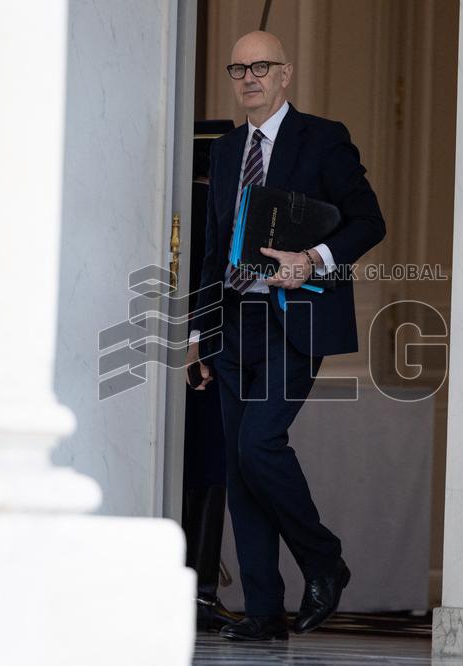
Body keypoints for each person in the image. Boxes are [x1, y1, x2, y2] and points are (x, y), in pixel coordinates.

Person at [185, 30, 386, 642]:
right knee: (239, 468)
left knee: (258, 446)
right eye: (238, 69)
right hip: (231, 324)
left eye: (261, 67)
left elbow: (369, 221)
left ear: (285, 74)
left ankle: (323, 560)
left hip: (293, 319)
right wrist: (197, 332)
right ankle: (264, 610)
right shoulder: (226, 151)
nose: (249, 78)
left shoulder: (322, 139)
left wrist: (313, 259)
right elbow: (213, 247)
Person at [181, 120, 241, 633]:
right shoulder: (223, 210)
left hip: (158, 351)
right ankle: (199, 591)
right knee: (208, 471)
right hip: (207, 353)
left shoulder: (167, 208)